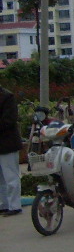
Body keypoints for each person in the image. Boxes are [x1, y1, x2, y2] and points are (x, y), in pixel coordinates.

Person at [0, 84, 23, 217]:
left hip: (8, 143)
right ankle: (4, 204)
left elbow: (9, 120)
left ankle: (15, 206)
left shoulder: (7, 96)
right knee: (1, 179)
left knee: (10, 176)